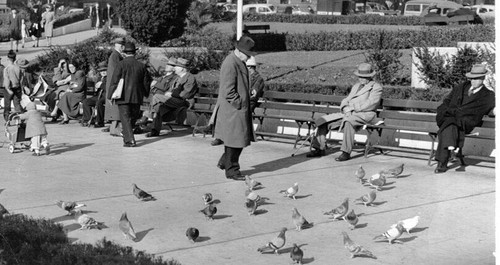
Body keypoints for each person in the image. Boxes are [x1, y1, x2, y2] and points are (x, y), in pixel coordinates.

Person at [307, 63, 383, 161]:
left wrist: (352, 108)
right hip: (349, 113)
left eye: (364, 77)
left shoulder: (376, 87)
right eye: (360, 76)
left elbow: (371, 104)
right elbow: (346, 99)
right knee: (324, 120)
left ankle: (346, 152)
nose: (361, 78)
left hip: (365, 114)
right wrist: (345, 107)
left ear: (370, 76)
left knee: (349, 121)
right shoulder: (356, 86)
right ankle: (319, 148)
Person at [434, 64, 495, 173]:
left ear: (483, 78)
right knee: (450, 124)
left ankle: (442, 162)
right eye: (471, 78)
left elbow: (482, 111)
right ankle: (451, 147)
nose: (473, 81)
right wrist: (444, 111)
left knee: (448, 125)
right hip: (449, 117)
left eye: (476, 79)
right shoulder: (460, 87)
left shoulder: (488, 96)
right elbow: (446, 101)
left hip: (466, 122)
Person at [214, 35, 256, 181]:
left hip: (236, 109)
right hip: (233, 109)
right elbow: (228, 90)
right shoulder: (231, 63)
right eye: (247, 55)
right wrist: (239, 103)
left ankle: (225, 162)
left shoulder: (237, 61)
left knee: (238, 139)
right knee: (235, 140)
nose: (248, 58)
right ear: (239, 50)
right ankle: (232, 171)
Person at [210, 55, 265, 146]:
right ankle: (219, 135)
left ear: (250, 67)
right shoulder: (243, 75)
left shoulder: (258, 78)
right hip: (238, 100)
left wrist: (244, 96)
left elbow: (254, 92)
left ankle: (225, 137)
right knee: (224, 109)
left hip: (248, 102)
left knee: (234, 113)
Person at [108, 42, 151, 147]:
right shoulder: (141, 66)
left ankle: (129, 140)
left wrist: (110, 95)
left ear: (125, 53)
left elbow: (114, 81)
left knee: (125, 118)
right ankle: (127, 135)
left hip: (122, 96)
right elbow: (146, 82)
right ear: (134, 53)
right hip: (137, 96)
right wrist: (145, 93)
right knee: (133, 117)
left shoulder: (121, 64)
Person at [146, 57, 198, 137]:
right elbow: (170, 89)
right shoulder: (177, 78)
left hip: (184, 102)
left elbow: (187, 94)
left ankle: (148, 117)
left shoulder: (190, 78)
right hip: (174, 101)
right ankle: (155, 131)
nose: (175, 68)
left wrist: (171, 94)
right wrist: (169, 93)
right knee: (159, 107)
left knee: (156, 97)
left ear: (183, 69)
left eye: (177, 66)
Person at [136, 57, 177, 127]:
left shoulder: (174, 77)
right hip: (153, 95)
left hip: (161, 97)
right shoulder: (164, 76)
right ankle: (140, 121)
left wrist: (155, 83)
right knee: (139, 98)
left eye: (169, 65)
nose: (167, 66)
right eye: (167, 64)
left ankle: (144, 119)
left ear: (174, 68)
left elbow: (166, 87)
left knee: (151, 102)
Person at [103, 37, 125, 137]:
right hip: (115, 84)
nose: (122, 47)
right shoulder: (116, 55)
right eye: (120, 45)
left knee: (114, 107)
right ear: (116, 45)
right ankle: (115, 129)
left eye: (122, 45)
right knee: (115, 107)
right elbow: (118, 70)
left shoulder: (116, 55)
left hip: (113, 84)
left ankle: (114, 129)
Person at [81, 61, 107, 128]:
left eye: (104, 70)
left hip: (106, 96)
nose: (103, 72)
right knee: (86, 101)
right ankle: (88, 119)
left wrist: (101, 85)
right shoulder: (99, 78)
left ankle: (100, 122)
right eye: (101, 71)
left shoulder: (109, 78)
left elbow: (109, 88)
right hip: (98, 96)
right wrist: (96, 89)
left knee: (99, 102)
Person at [3, 50, 22, 122]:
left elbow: (7, 79)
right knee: (17, 104)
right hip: (17, 87)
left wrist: (7, 89)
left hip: (9, 88)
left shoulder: (7, 69)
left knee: (7, 105)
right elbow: (21, 79)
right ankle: (19, 120)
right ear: (15, 59)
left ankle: (7, 120)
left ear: (8, 58)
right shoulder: (18, 68)